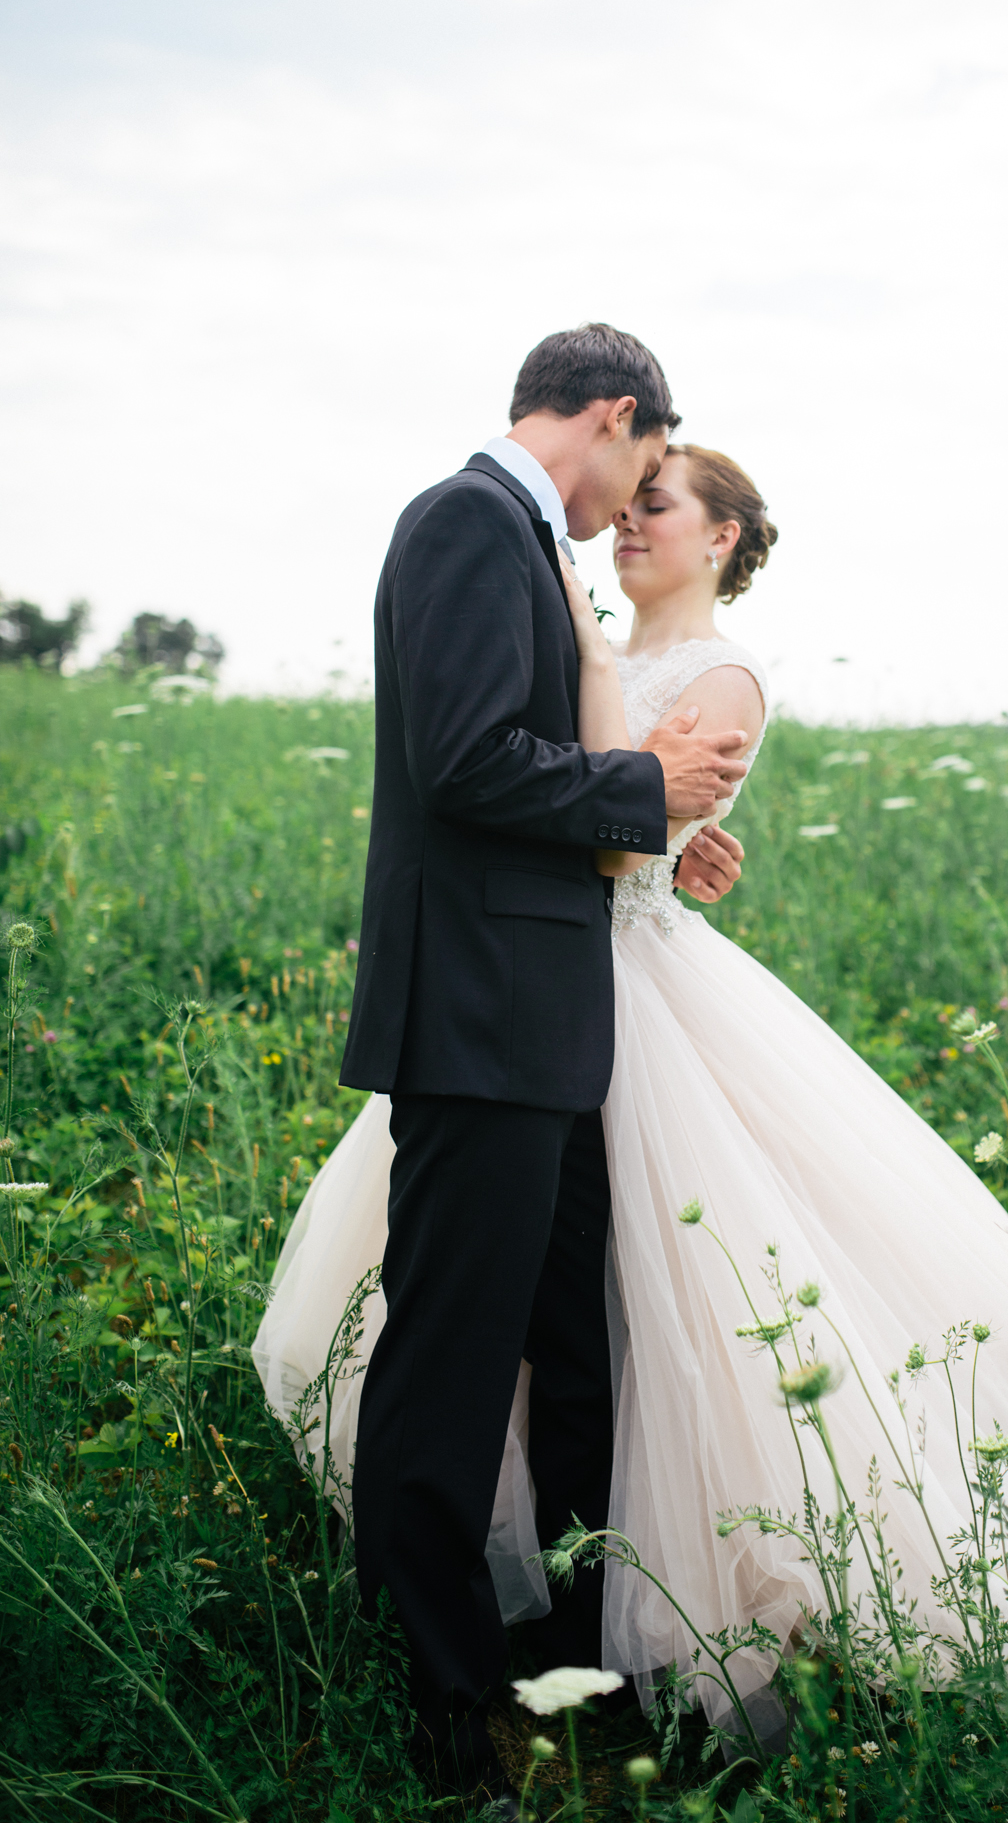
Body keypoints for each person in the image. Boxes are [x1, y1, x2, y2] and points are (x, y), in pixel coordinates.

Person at [256, 437, 1008, 1770]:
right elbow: (595, 795)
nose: (630, 526)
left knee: (638, 1306)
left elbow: (604, 835)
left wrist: (615, 740)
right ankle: (510, 1583)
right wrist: (627, 767)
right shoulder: (588, 632)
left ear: (720, 541)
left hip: (629, 997)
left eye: (659, 510)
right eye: (629, 504)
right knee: (512, 1298)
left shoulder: (718, 674)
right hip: (535, 982)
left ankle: (643, 1598)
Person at [285, 323, 752, 1800]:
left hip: (544, 1018)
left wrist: (656, 822)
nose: (632, 507)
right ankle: (441, 1691)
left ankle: (572, 1637)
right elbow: (469, 760)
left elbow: (534, 765)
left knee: (571, 1354)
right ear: (613, 416)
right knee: (449, 1360)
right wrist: (646, 782)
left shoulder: (512, 535)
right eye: (644, 469)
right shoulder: (469, 521)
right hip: (480, 1019)